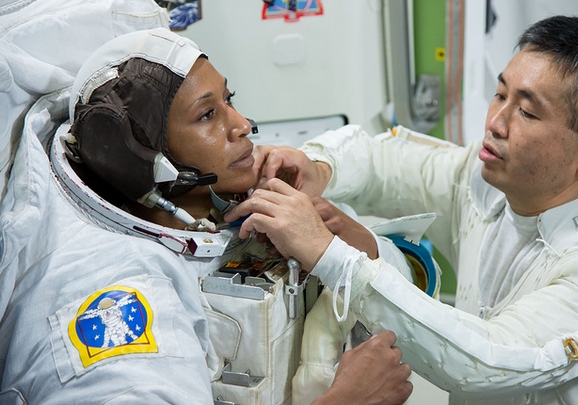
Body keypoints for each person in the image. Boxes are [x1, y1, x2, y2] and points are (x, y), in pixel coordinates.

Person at [226, 15, 578, 404]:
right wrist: (319, 167)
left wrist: (332, 256)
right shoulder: (492, 186)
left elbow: (489, 362)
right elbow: (385, 160)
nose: (496, 122)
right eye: (500, 95)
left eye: (528, 113)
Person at [0, 27, 414, 404]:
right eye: (207, 115)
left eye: (228, 100)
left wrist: (342, 238)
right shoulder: (124, 296)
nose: (244, 125)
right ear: (142, 159)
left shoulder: (256, 202)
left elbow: (411, 291)